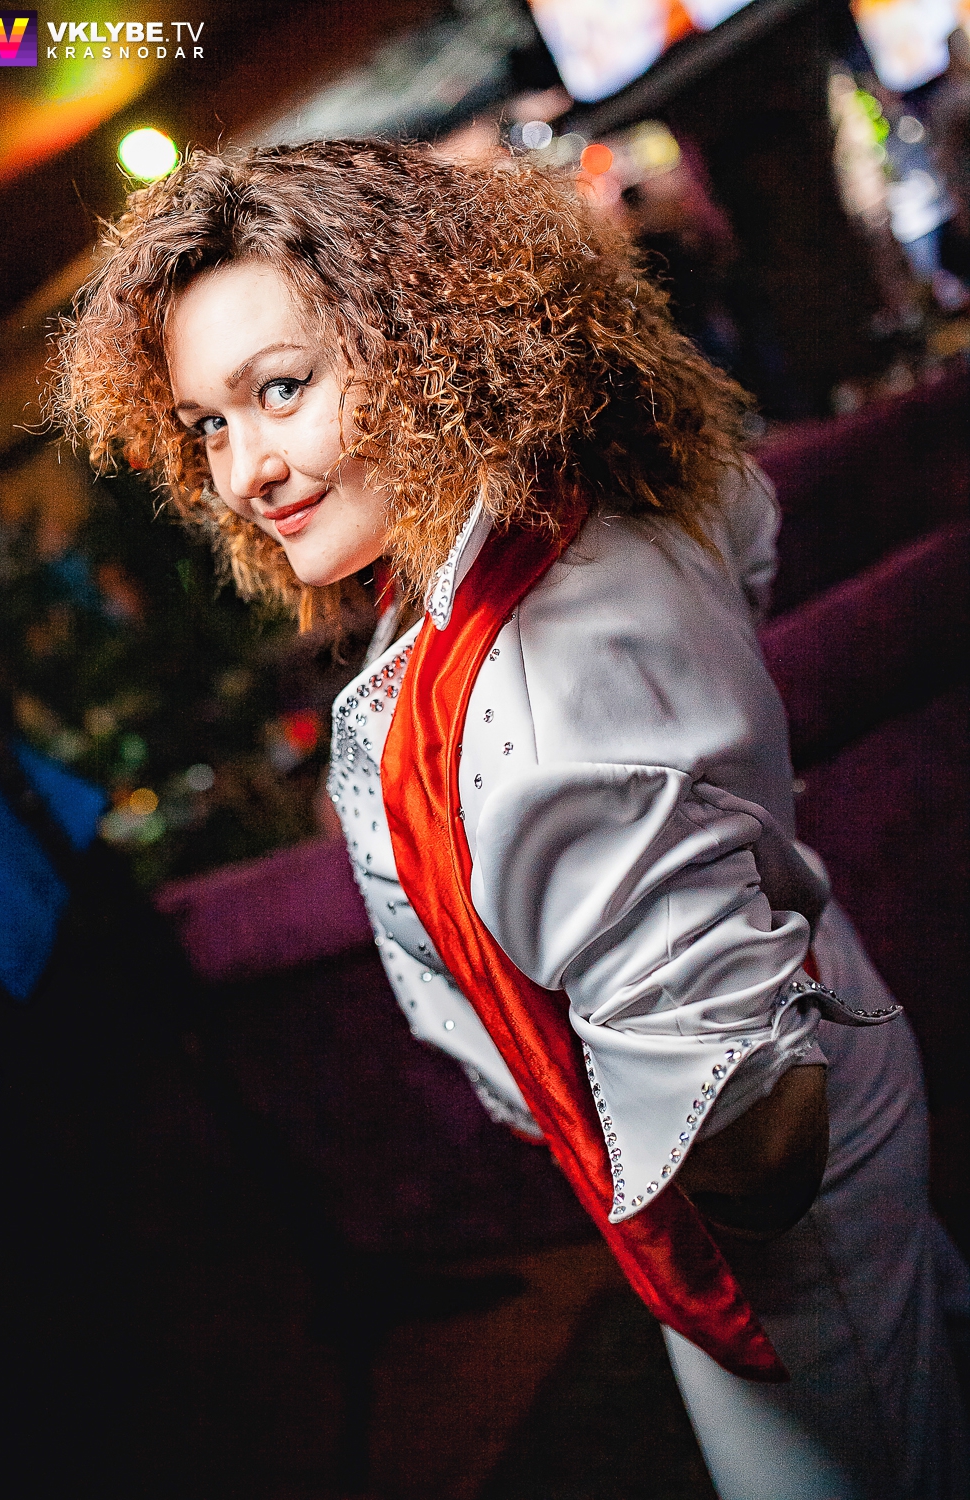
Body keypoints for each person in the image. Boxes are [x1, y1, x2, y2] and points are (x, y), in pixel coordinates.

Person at [53, 138, 968, 1498]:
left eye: (282, 389)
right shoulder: (585, 494)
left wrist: (700, 1161)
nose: (244, 470)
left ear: (427, 340)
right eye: (209, 425)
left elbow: (752, 1113)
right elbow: (748, 533)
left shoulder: (531, 693)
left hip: (782, 1190)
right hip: (837, 1009)